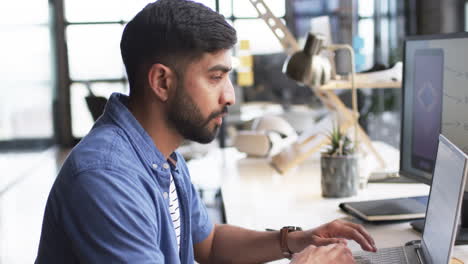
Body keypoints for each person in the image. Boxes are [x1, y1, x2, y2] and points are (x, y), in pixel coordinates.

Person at [35, 0, 377, 263]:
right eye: (215, 77)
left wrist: (294, 241)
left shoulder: (161, 154)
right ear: (161, 81)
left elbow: (209, 243)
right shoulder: (105, 178)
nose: (228, 95)